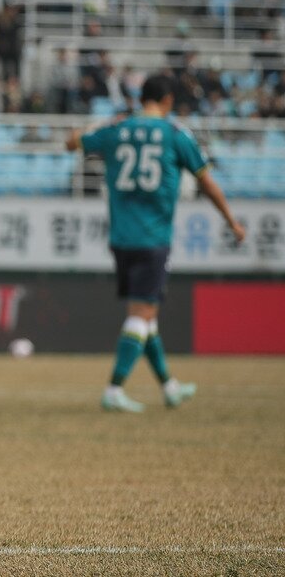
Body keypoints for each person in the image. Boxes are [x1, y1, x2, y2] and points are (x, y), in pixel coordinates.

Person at [66, 74, 245, 413]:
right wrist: (231, 220)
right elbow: (206, 181)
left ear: (140, 98)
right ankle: (114, 389)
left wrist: (105, 122)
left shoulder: (118, 129)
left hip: (121, 238)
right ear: (168, 101)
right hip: (153, 238)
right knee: (141, 315)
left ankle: (169, 386)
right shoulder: (175, 134)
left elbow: (70, 143)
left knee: (147, 317)